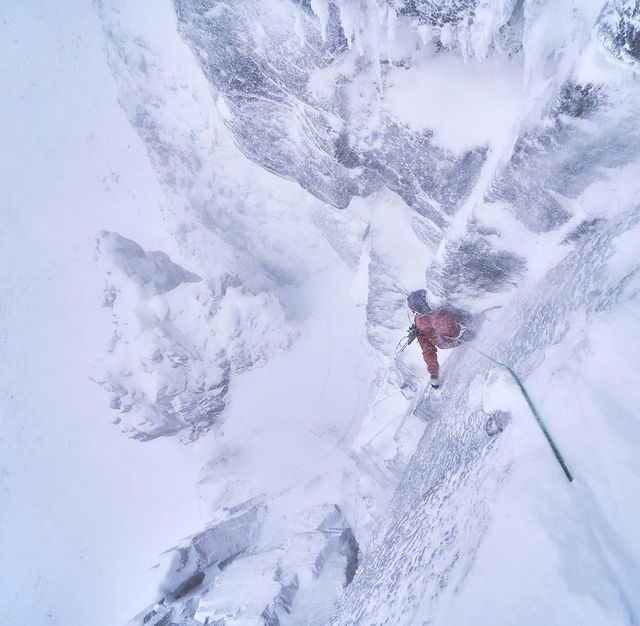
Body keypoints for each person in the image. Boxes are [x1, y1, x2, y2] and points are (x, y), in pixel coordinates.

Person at [406, 289, 473, 389]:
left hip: (454, 329)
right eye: (422, 310)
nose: (425, 311)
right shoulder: (421, 324)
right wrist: (434, 372)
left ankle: (465, 331)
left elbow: (456, 312)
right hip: (450, 339)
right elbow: (428, 350)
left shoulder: (436, 307)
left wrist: (472, 321)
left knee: (438, 315)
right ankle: (462, 336)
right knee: (437, 317)